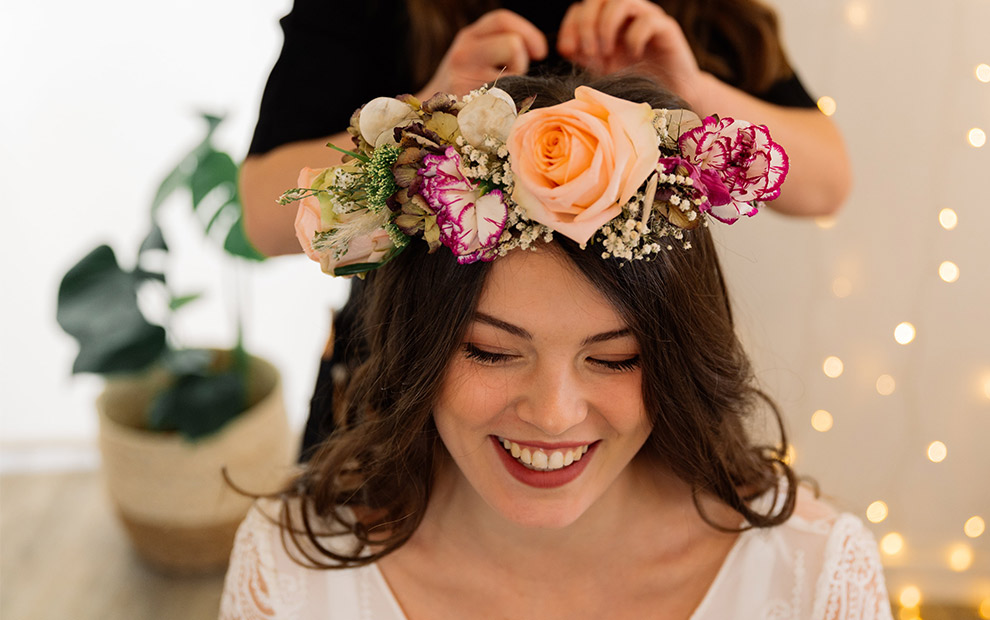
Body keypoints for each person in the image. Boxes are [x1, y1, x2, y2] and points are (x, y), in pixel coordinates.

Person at [220, 73, 889, 619]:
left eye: (614, 357)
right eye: (489, 351)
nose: (553, 414)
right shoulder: (288, 575)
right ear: (418, 350)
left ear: (679, 359)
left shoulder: (814, 578)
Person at [243, 0, 852, 461]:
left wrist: (690, 92)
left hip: (633, 401)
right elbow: (263, 218)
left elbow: (826, 181)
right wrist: (429, 106)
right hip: (403, 387)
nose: (551, 417)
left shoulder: (693, 11)